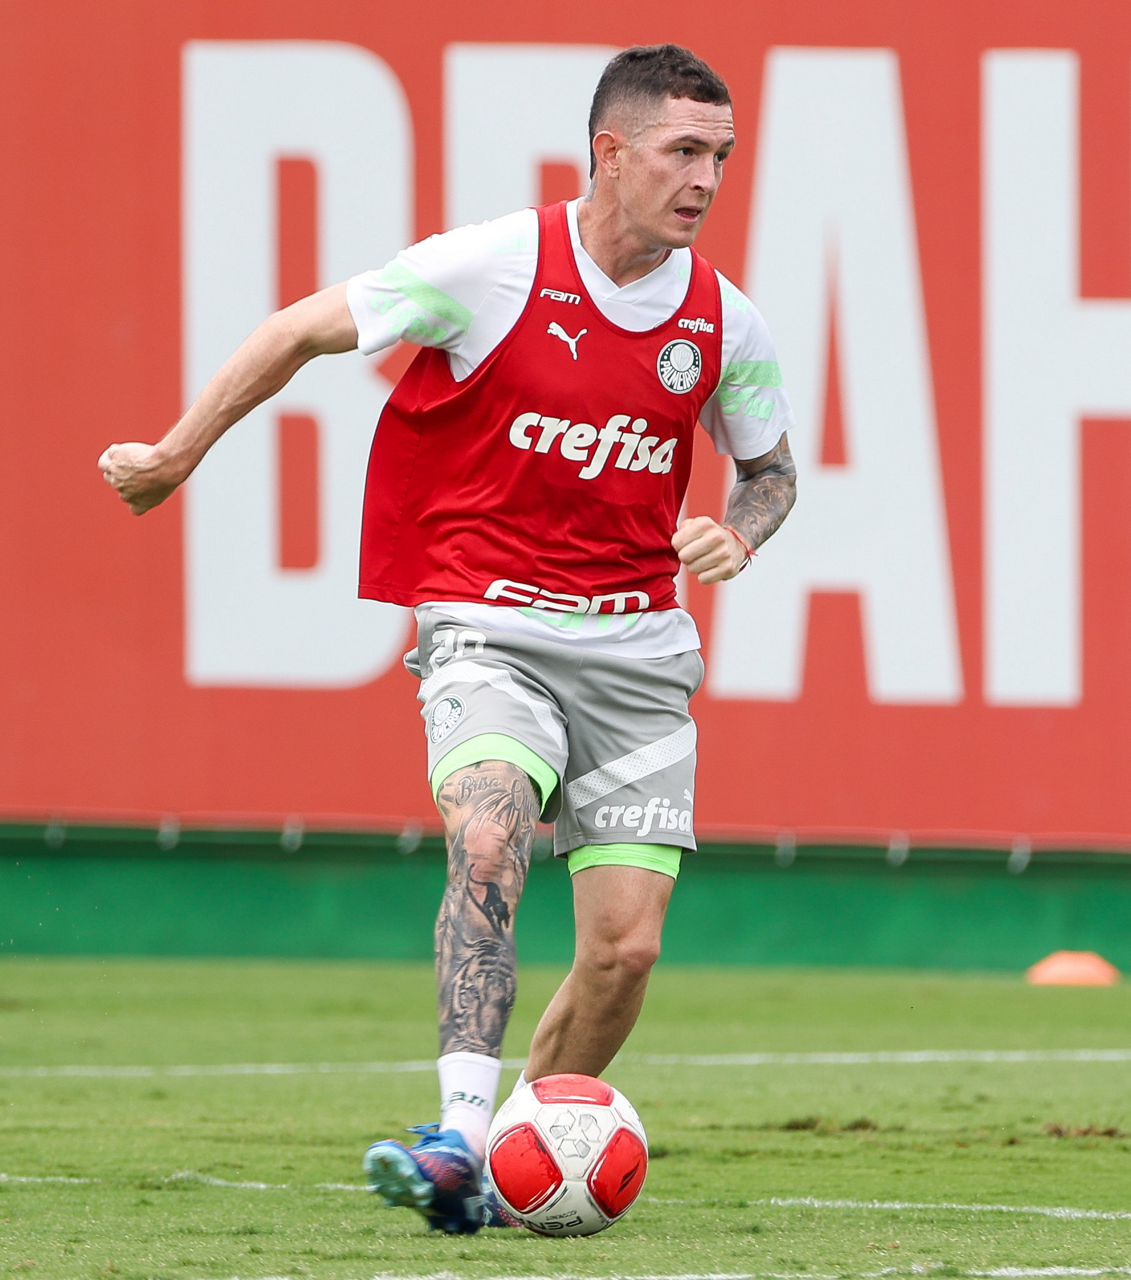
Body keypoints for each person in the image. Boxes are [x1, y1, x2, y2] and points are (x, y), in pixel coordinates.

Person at [99, 43, 796, 1234]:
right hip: (491, 625)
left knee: (624, 952)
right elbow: (301, 328)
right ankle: (457, 1135)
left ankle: (505, 1161)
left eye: (720, 157)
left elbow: (770, 470)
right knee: (486, 829)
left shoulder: (723, 321)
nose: (705, 180)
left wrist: (739, 530)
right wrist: (175, 453)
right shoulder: (493, 265)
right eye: (683, 151)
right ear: (609, 151)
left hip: (638, 651)